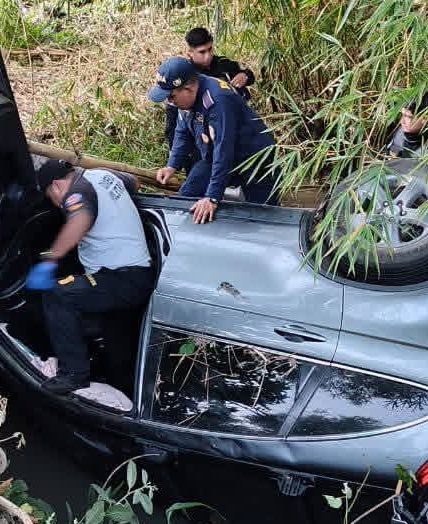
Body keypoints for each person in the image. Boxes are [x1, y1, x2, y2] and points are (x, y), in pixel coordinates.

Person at [26, 160, 155, 395]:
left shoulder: (75, 192)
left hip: (120, 278)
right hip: (136, 274)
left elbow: (80, 220)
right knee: (117, 345)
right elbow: (133, 183)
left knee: (59, 295)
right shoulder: (102, 175)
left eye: (51, 198)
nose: (56, 205)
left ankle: (74, 374)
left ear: (56, 185)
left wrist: (50, 258)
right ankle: (125, 390)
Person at [149, 57, 280, 224]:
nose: (170, 102)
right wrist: (172, 165)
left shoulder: (218, 100)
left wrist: (212, 198)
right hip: (217, 157)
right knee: (185, 199)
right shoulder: (184, 100)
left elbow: (224, 150)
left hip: (255, 159)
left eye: (172, 97)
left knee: (265, 216)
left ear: (188, 88)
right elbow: (181, 132)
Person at [162, 27, 257, 157]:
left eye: (210, 49)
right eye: (202, 52)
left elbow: (249, 76)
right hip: (201, 140)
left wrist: (245, 76)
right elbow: (173, 117)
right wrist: (176, 155)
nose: (208, 56)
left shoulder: (224, 65)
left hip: (236, 131)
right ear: (189, 52)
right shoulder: (183, 75)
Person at [386, 92, 428, 158]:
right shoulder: (400, 134)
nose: (402, 121)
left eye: (408, 117)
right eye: (402, 115)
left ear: (424, 119)